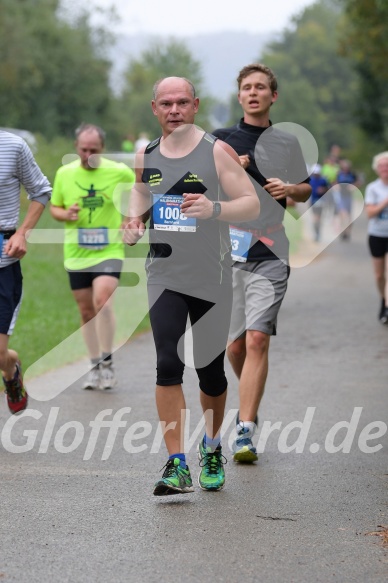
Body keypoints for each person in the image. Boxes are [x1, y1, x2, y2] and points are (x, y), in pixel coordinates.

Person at [122, 76, 259, 495]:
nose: (175, 109)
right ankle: (176, 463)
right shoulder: (145, 155)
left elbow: (251, 203)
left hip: (212, 278)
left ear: (195, 105)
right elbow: (140, 196)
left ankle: (213, 446)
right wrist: (133, 221)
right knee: (167, 364)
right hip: (164, 274)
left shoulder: (215, 152)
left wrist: (213, 207)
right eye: (166, 103)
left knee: (210, 372)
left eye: (182, 102)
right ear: (155, 108)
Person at [213, 63, 311, 463]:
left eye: (261, 88)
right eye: (247, 87)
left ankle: (246, 428)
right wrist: (226, 171)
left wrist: (289, 188)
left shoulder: (287, 143)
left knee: (257, 339)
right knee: (235, 347)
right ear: (239, 95)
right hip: (228, 255)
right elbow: (198, 186)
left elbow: (305, 191)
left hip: (270, 251)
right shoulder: (220, 141)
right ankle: (250, 400)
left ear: (274, 96)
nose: (253, 93)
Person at [51, 124, 135, 390]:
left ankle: (108, 362)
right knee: (86, 312)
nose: (88, 155)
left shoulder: (119, 172)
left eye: (94, 150)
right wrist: (66, 214)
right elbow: (55, 207)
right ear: (76, 147)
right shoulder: (64, 173)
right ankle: (94, 363)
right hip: (76, 253)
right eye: (83, 150)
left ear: (103, 149)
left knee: (103, 302)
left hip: (109, 249)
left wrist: (129, 218)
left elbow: (138, 196)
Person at [0, 129, 51, 414]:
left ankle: (10, 369)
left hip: (3, 263)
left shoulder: (12, 146)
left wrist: (21, 233)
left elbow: (41, 190)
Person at [364, 151, 388, 324]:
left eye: (387, 165)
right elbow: (370, 213)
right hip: (377, 235)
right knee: (379, 275)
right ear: (377, 169)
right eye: (381, 165)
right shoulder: (373, 188)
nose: (385, 168)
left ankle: (387, 306)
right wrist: (385, 202)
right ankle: (383, 299)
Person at [335, 159, 359, 240]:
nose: (345, 169)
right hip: (341, 196)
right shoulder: (339, 174)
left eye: (347, 167)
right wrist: (336, 186)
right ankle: (343, 231)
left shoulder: (352, 174)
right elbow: (335, 182)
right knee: (342, 214)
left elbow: (358, 182)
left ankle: (347, 232)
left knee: (349, 215)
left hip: (349, 196)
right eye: (344, 167)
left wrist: (354, 186)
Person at [310, 164, 329, 242]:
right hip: (313, 202)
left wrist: (323, 190)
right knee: (316, 218)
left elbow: (328, 189)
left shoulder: (323, 180)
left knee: (318, 218)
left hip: (321, 202)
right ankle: (316, 232)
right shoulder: (311, 180)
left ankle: (318, 233)